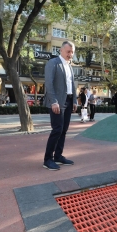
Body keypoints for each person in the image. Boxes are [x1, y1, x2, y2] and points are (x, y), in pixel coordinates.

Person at [43, 41, 78, 171]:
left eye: (72, 52)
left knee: (63, 130)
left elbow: (72, 85)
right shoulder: (53, 63)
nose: (70, 54)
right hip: (57, 102)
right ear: (61, 50)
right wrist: (54, 101)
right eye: (68, 51)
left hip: (68, 101)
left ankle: (58, 156)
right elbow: (49, 84)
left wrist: (74, 100)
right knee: (57, 130)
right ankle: (47, 159)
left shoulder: (69, 66)